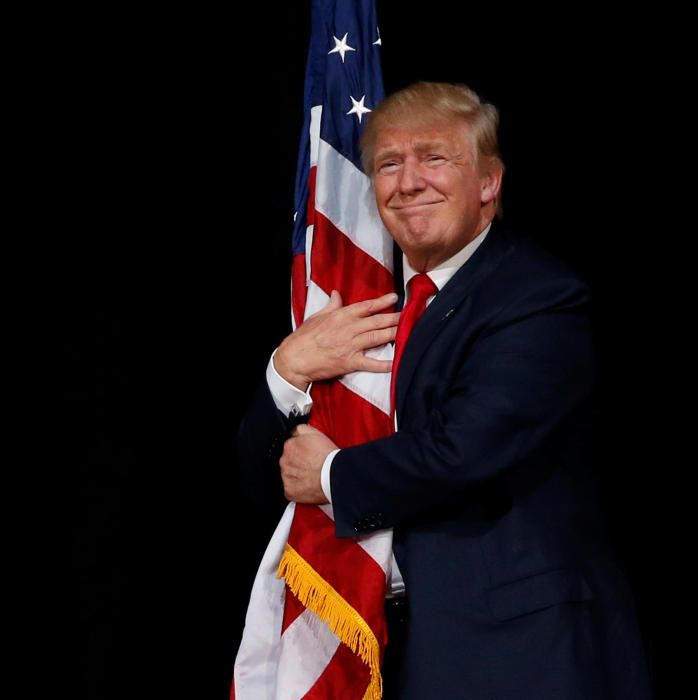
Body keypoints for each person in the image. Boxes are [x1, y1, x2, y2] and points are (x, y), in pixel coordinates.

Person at [237, 81, 652, 699]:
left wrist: (332, 476)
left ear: (488, 182)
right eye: (389, 164)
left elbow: (468, 448)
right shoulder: (364, 301)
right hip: (376, 644)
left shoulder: (536, 296)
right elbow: (258, 475)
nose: (408, 182)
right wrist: (288, 368)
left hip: (512, 654)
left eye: (434, 158)